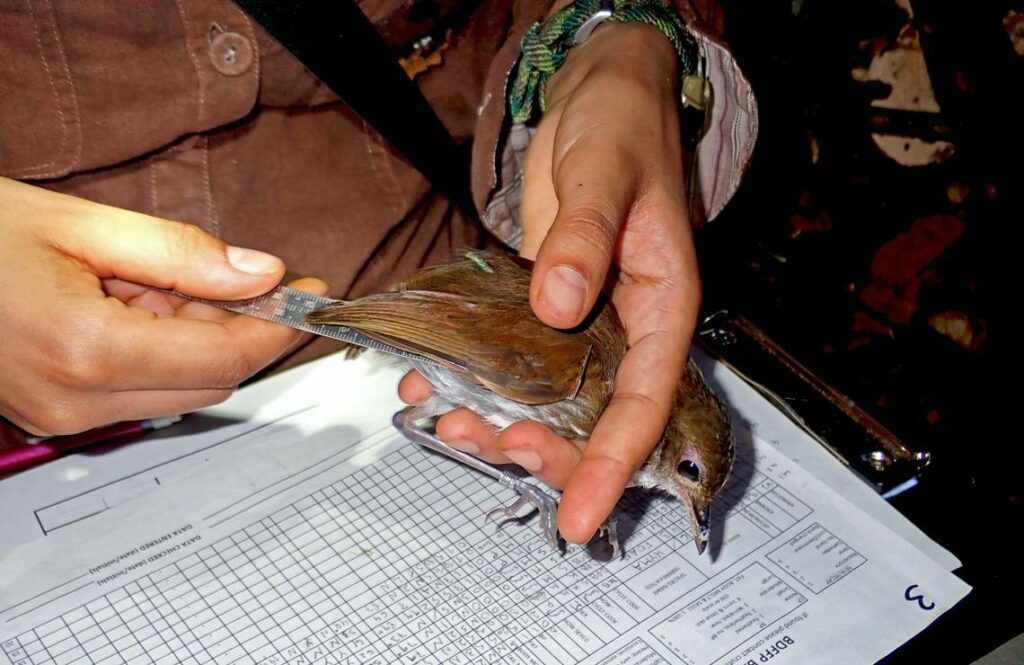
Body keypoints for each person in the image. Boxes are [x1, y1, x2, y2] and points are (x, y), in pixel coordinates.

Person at [0, 0, 755, 546]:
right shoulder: (584, 383)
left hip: (419, 252)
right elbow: (447, 326)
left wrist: (622, 38)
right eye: (687, 475)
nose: (688, 498)